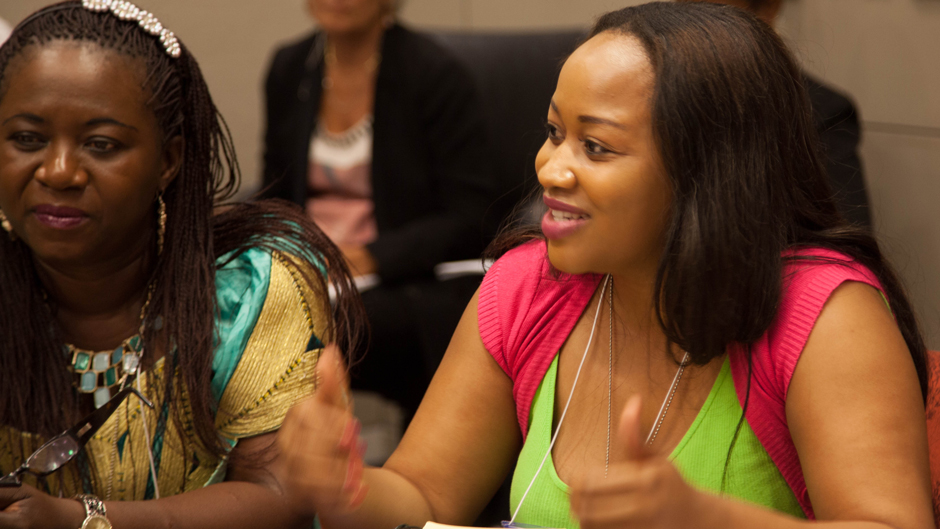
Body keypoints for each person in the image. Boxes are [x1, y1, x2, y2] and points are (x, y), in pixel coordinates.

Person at [275, 3, 933, 529]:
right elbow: (422, 495)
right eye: (554, 132)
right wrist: (349, 486)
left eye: (595, 146)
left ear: (706, 172)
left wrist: (705, 520)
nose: (549, 168)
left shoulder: (824, 314)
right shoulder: (525, 288)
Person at [0, 1, 362, 528]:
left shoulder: (250, 289)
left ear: (167, 161)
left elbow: (280, 493)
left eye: (100, 144)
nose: (58, 172)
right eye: (26, 139)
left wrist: (81, 520)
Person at [262, 0, 498, 421]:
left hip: (398, 275)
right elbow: (272, 194)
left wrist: (371, 256)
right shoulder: (289, 66)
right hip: (308, 265)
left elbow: (472, 215)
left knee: (315, 326)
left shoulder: (433, 73)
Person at [680, 0, 873, 230]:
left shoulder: (820, 109)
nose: (693, 29)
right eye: (685, 9)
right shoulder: (653, 91)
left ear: (768, 10)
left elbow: (845, 236)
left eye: (713, 12)